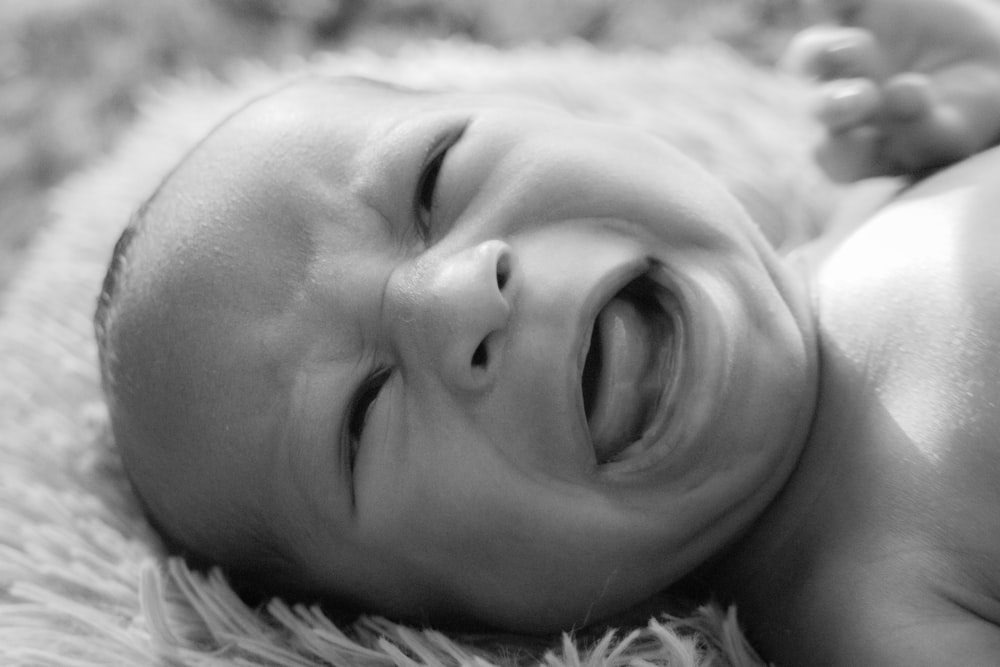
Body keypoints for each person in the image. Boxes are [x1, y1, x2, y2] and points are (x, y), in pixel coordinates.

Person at [92, 0, 1000, 663]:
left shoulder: (874, 194)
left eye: (431, 181)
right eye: (362, 415)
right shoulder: (873, 608)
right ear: (441, 619)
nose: (454, 297)